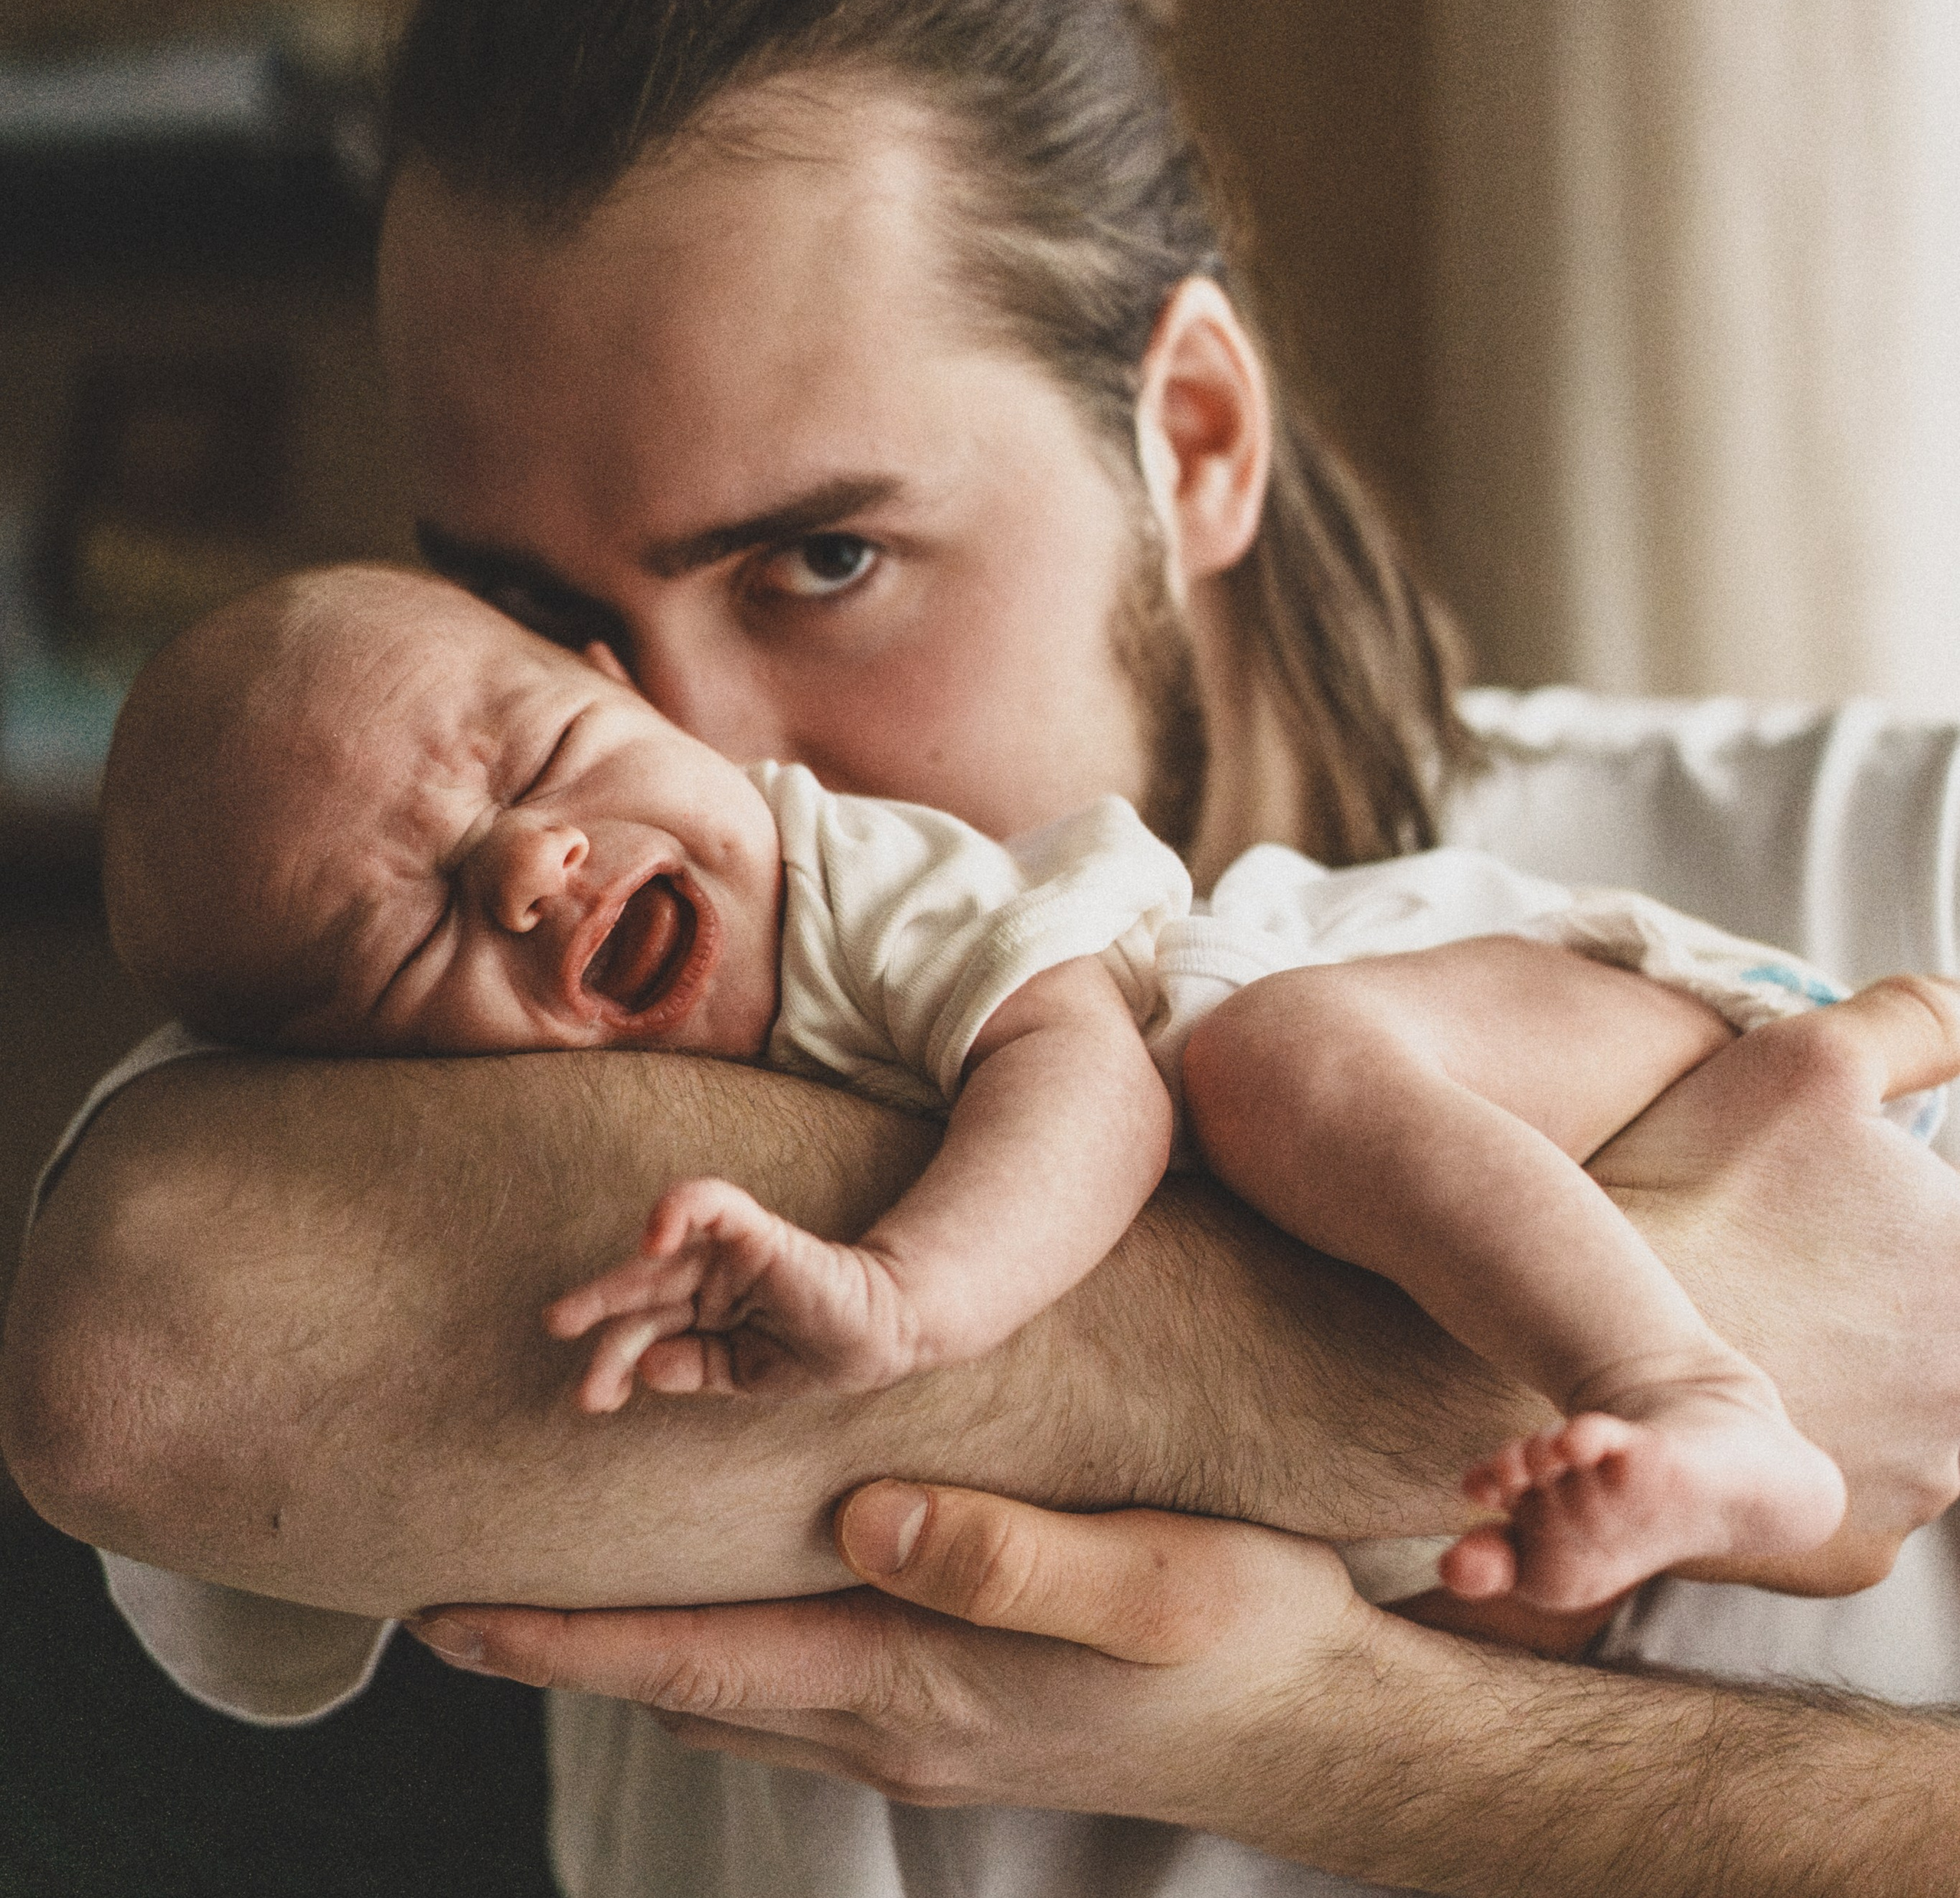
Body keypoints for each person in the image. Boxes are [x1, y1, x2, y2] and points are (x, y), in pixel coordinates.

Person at [11, 0, 1960, 1898]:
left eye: (819, 560)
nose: (683, 751)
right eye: (520, 614)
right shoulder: (435, 982)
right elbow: (150, 1356)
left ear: (1195, 441)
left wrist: (1386, 1749)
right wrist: (1607, 1364)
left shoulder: (1861, 879)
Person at [106, 560, 1932, 1613]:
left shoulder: (850, 882)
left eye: (551, 758)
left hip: (1578, 1031)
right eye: (409, 938)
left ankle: (1698, 1394)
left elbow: (1094, 1090)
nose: (526, 870)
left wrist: (909, 1296)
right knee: (1495, 1570)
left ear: (647, 704)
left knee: (1265, 1064)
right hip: (1560, 1203)